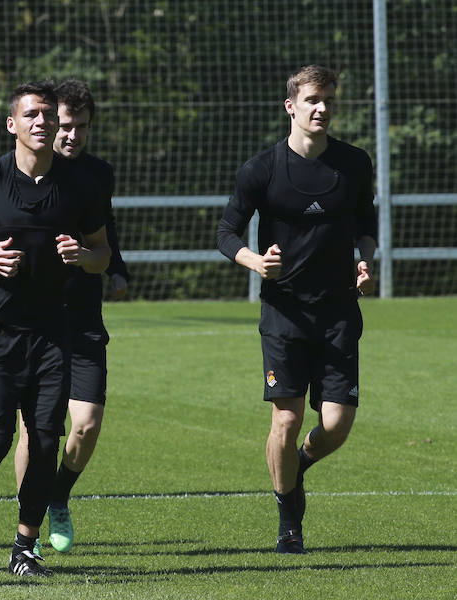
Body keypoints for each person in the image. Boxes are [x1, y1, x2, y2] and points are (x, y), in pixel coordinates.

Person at [0, 80, 110, 576]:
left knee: (45, 439)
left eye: (48, 115)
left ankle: (24, 547)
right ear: (12, 125)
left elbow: (103, 253)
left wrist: (84, 256)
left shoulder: (79, 187)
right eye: (31, 115)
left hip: (54, 333)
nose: (42, 122)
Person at [216, 65, 377, 554]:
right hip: (284, 313)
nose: (322, 108)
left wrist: (366, 259)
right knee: (284, 420)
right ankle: (289, 514)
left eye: (328, 99)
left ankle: (298, 463)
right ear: (291, 106)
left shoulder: (354, 163)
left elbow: (366, 225)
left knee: (336, 425)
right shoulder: (261, 169)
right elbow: (227, 233)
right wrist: (255, 262)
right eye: (312, 99)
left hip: (338, 312)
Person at [13, 78, 129, 554]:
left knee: (85, 424)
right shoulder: (22, 172)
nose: (70, 134)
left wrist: (110, 265)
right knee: (35, 430)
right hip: (32, 319)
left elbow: (105, 231)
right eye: (63, 124)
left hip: (82, 316)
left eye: (80, 126)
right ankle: (29, 535)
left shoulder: (97, 175)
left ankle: (56, 495)